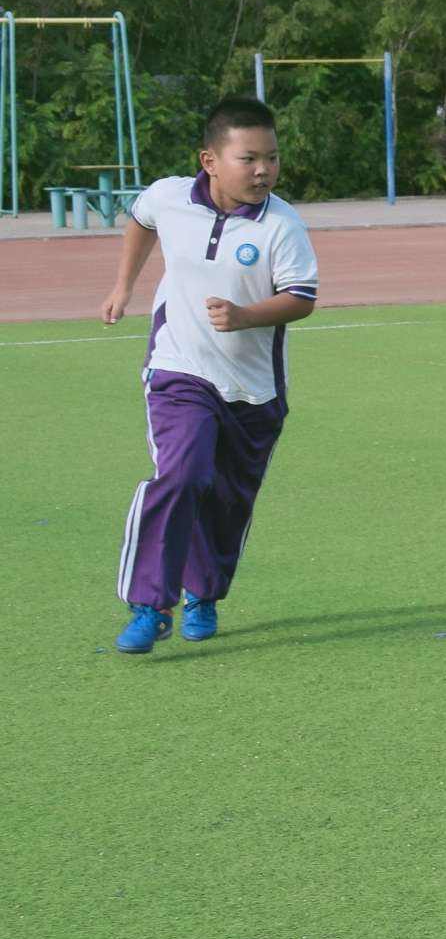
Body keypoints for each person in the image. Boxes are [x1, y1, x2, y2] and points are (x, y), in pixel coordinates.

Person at [100, 97, 321, 654]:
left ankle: (203, 594)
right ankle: (150, 605)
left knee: (227, 499)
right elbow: (141, 218)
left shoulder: (282, 224)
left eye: (271, 157)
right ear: (210, 160)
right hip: (179, 369)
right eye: (249, 158)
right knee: (182, 475)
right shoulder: (171, 196)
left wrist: (246, 316)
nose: (264, 170)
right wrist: (124, 285)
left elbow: (301, 298)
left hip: (254, 388)